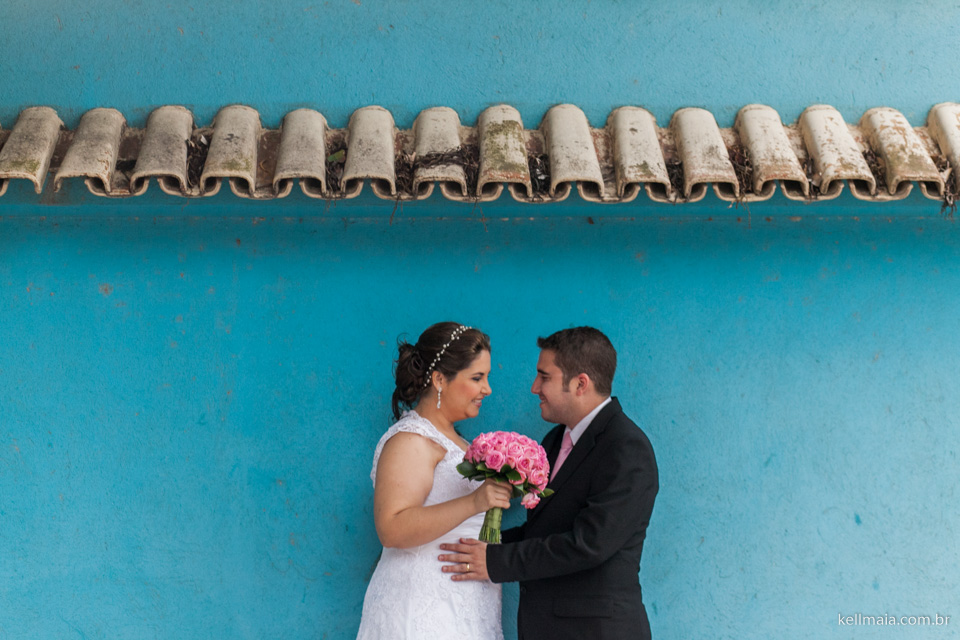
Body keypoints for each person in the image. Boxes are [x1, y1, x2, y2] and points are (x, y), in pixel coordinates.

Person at [438, 326, 659, 640]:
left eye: (545, 377)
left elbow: (590, 544)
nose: (534, 387)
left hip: (596, 631)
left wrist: (495, 561)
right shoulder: (555, 440)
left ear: (580, 383)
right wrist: (480, 543)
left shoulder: (625, 447)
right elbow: (543, 530)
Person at [356, 322, 512, 640]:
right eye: (477, 378)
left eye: (487, 378)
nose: (487, 390)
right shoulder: (410, 440)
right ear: (440, 379)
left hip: (466, 607)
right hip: (422, 609)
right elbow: (392, 527)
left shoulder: (462, 445)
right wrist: (474, 502)